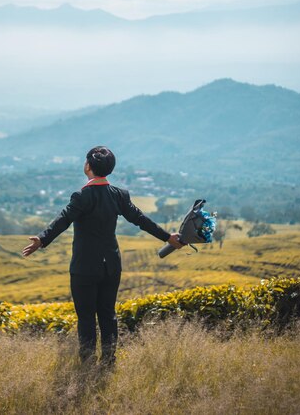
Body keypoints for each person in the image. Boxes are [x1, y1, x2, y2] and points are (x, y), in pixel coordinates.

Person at [22, 145, 183, 367]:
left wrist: (42, 239)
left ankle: (87, 364)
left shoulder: (82, 195)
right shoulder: (119, 195)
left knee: (86, 317)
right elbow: (140, 219)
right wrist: (167, 237)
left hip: (84, 267)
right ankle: (108, 361)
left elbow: (63, 220)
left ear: (88, 166)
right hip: (112, 266)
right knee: (108, 314)